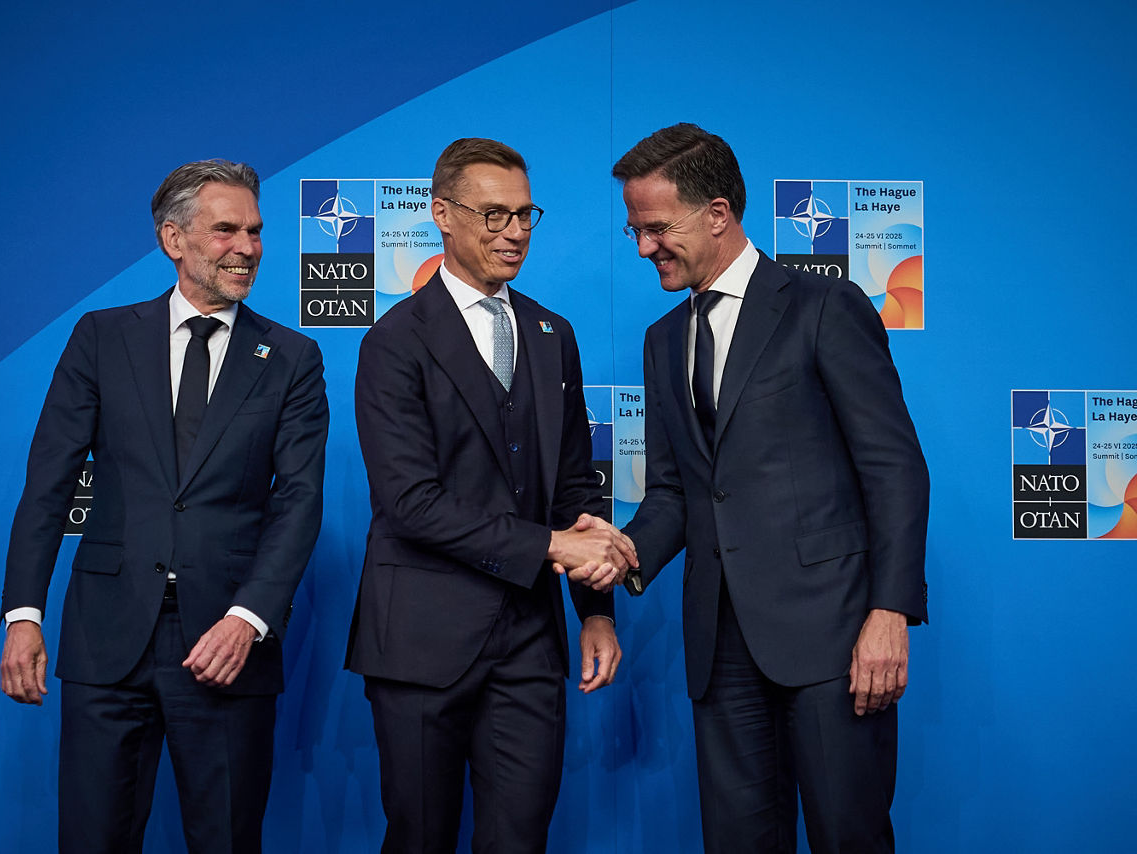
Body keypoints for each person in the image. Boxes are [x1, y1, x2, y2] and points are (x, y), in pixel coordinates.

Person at [603, 123, 929, 853]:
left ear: (717, 213)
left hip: (834, 638)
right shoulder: (663, 340)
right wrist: (622, 554)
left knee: (849, 837)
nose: (644, 247)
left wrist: (890, 613)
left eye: (658, 228)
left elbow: (894, 467)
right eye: (635, 230)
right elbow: (676, 493)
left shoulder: (824, 306)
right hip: (720, 647)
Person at [0, 159, 328, 853]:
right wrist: (24, 614)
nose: (247, 247)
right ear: (173, 239)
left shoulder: (292, 357)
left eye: (255, 231)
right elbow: (49, 483)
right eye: (226, 230)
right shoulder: (101, 337)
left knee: (227, 840)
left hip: (226, 644)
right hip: (107, 638)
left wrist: (248, 619)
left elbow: (299, 501)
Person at [345, 137, 636, 854]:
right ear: (443, 214)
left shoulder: (552, 334)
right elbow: (411, 503)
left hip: (529, 643)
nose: (514, 232)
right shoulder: (393, 341)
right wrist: (550, 545)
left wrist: (596, 612)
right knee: (420, 839)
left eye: (525, 214)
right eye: (494, 215)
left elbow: (576, 488)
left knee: (520, 840)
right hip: (419, 644)